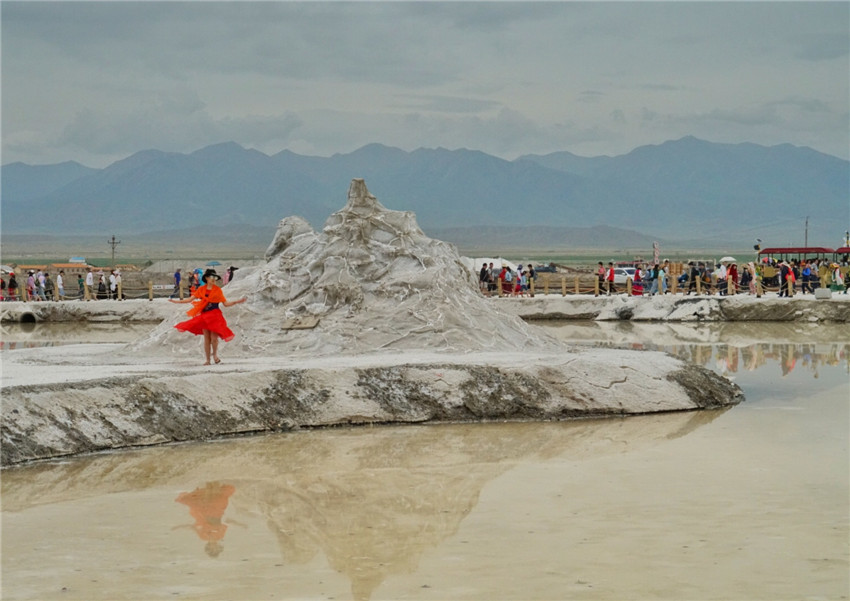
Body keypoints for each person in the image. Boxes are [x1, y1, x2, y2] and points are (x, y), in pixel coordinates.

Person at [169, 268, 247, 365]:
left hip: (215, 315)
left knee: (214, 338)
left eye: (215, 277)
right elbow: (190, 299)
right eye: (211, 277)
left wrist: (236, 301)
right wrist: (176, 301)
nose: (213, 279)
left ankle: (215, 355)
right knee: (206, 339)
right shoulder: (201, 289)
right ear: (206, 278)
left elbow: (225, 304)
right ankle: (207, 360)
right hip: (205, 316)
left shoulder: (218, 290)